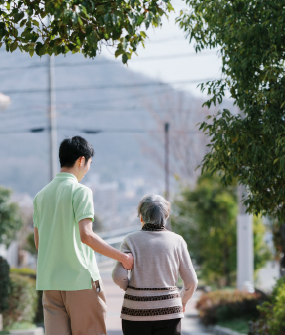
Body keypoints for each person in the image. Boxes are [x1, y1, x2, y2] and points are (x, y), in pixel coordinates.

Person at [33, 136, 134, 335]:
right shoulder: (81, 192)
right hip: (80, 281)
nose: (88, 169)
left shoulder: (40, 196)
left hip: (50, 284)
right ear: (81, 160)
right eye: (89, 164)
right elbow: (86, 236)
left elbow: (39, 244)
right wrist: (123, 257)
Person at [112, 195, 198, 335]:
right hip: (170, 312)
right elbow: (192, 281)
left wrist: (129, 287)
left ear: (141, 217)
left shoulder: (130, 240)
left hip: (135, 312)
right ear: (166, 216)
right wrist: (181, 301)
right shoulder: (177, 241)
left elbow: (118, 276)